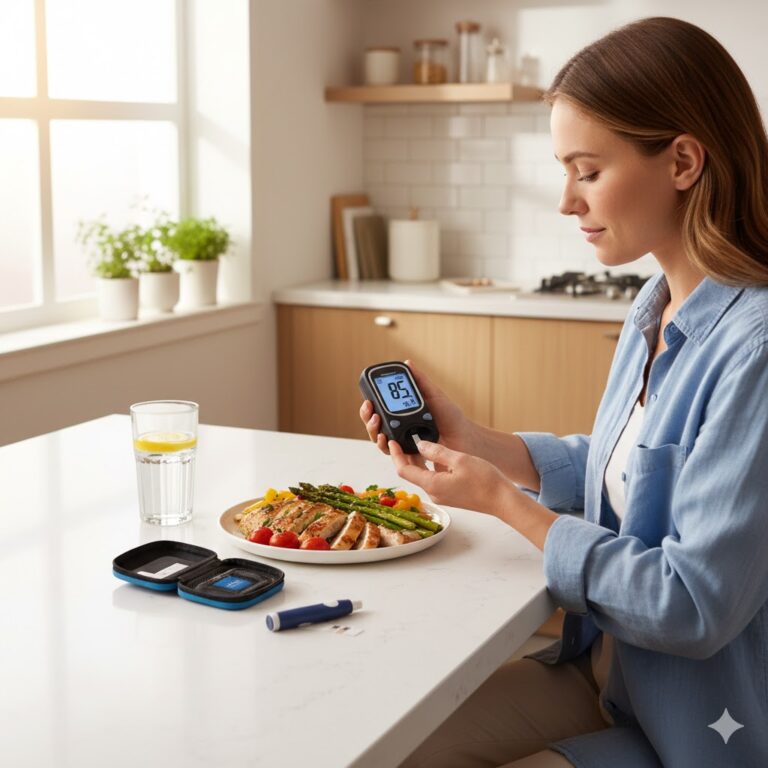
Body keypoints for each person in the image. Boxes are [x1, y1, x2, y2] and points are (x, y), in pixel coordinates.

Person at [359, 16, 768, 768]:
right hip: (613, 676)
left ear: (682, 161)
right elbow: (638, 474)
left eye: (586, 171)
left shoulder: (756, 352)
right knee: (388, 746)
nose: (566, 202)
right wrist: (478, 443)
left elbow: (693, 605)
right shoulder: (655, 306)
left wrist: (505, 504)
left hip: (700, 726)